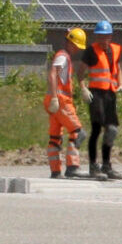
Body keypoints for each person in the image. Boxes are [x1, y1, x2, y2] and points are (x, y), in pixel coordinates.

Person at [82, 20, 122, 180]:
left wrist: (120, 84)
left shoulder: (115, 50)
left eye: (106, 36)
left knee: (112, 130)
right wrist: (83, 88)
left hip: (110, 94)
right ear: (97, 36)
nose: (103, 39)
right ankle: (93, 166)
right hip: (95, 94)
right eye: (100, 36)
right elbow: (80, 72)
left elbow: (118, 68)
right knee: (96, 130)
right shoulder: (91, 51)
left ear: (110, 36)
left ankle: (107, 165)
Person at [46, 28, 87, 178]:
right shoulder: (62, 56)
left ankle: (55, 171)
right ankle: (72, 167)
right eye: (76, 45)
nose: (77, 49)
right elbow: (52, 73)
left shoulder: (63, 56)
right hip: (61, 100)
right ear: (70, 43)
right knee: (78, 133)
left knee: (55, 137)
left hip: (54, 100)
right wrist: (56, 97)